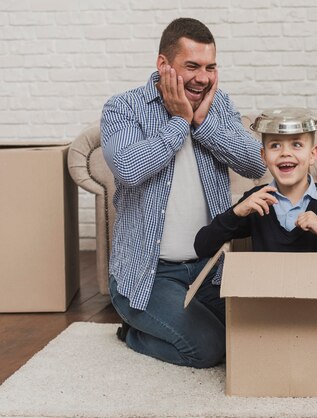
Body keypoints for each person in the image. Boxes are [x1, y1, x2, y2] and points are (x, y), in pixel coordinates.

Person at [100, 18, 266, 368]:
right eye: (191, 66)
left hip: (210, 269)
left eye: (210, 67)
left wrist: (203, 125)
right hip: (149, 275)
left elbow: (255, 164)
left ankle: (179, 322)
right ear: (163, 65)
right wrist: (180, 121)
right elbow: (129, 170)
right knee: (209, 350)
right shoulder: (124, 108)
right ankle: (133, 333)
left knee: (260, 338)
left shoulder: (217, 106)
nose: (202, 78)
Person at [194, 108, 317, 261]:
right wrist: (236, 212)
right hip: (267, 304)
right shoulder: (257, 202)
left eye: (297, 144)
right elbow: (202, 246)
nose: (285, 153)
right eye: (275, 146)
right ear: (263, 156)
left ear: (312, 155)